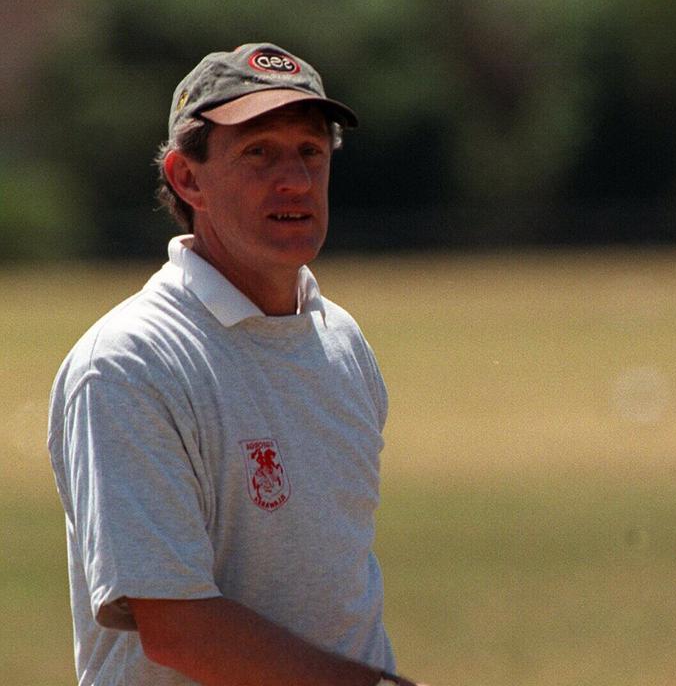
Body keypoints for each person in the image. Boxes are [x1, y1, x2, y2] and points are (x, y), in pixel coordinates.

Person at [47, 43, 423, 686]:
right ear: (187, 178)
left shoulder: (340, 340)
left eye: (310, 150)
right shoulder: (130, 362)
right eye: (259, 152)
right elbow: (176, 627)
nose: (296, 181)